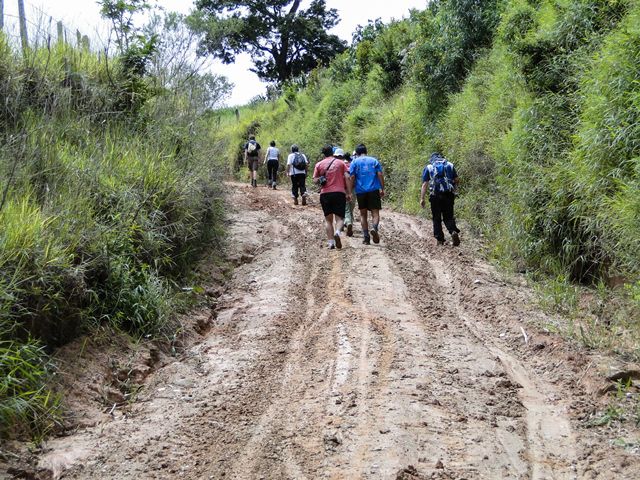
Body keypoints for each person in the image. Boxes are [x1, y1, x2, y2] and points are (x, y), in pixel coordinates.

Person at [313, 144, 352, 249]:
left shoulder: (319, 164)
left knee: (328, 220)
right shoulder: (340, 163)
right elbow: (347, 177)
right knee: (340, 218)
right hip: (339, 193)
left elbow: (315, 180)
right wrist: (349, 192)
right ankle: (338, 232)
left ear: (323, 153)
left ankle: (331, 243)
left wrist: (321, 179)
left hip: (325, 193)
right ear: (332, 152)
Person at [420, 152, 461, 246]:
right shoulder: (450, 165)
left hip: (435, 196)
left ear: (432, 159)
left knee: (436, 218)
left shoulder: (429, 167)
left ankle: (440, 239)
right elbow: (457, 180)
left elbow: (425, 184)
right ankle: (453, 231)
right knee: (449, 216)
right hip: (448, 195)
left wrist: (422, 198)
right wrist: (454, 188)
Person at [349, 144, 385, 245]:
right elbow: (380, 174)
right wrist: (382, 188)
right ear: (366, 151)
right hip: (373, 190)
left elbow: (352, 177)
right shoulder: (374, 161)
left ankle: (366, 237)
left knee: (363, 214)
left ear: (356, 153)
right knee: (375, 212)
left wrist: (349, 191)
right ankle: (374, 228)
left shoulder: (354, 162)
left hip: (360, 191)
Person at [336, 149, 356, 237]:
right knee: (351, 207)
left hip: (342, 189)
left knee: (345, 208)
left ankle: (347, 222)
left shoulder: (340, 165)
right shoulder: (353, 164)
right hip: (353, 189)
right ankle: (349, 222)